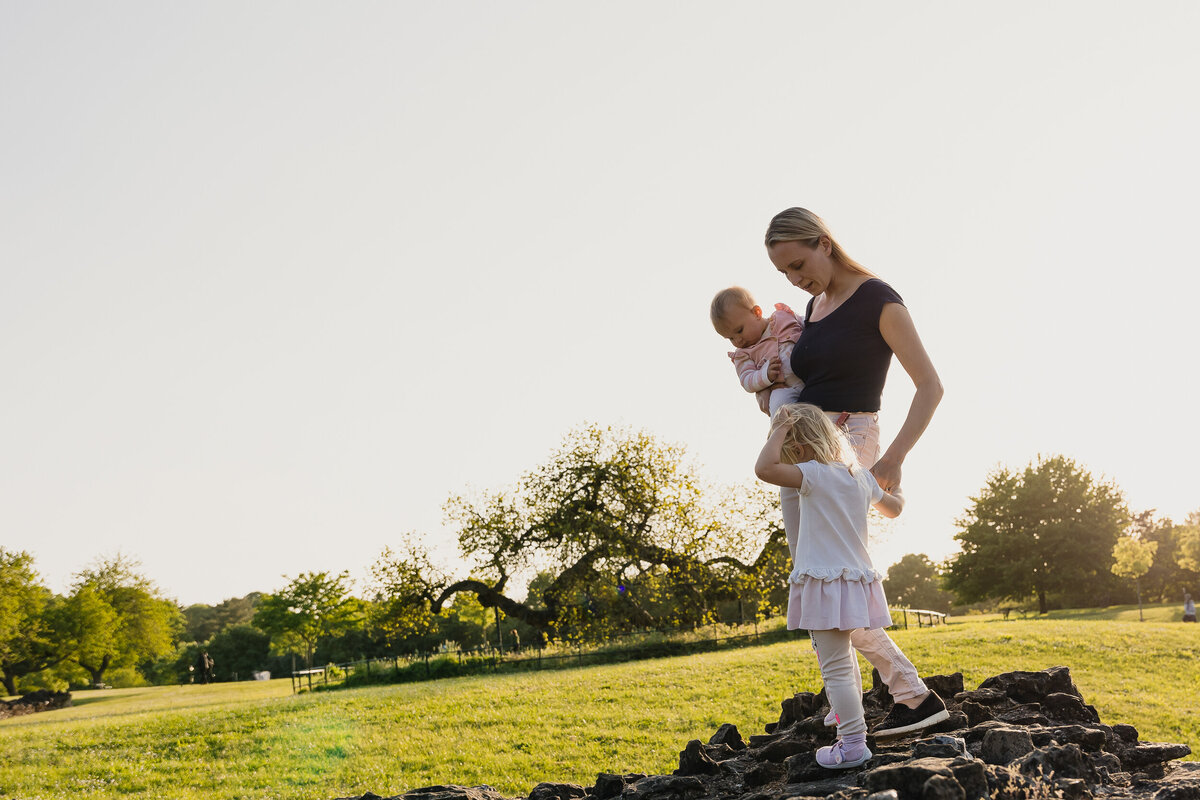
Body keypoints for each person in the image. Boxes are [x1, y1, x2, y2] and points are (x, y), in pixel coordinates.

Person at [763, 207, 947, 737]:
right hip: (804, 447)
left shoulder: (878, 300)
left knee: (833, 576)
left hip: (851, 443)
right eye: (786, 274)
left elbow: (930, 386)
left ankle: (909, 696)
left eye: (800, 264)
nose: (797, 279)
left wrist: (894, 459)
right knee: (814, 578)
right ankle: (876, 698)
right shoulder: (813, 306)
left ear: (824, 242)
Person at [755, 403, 947, 769]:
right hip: (858, 582)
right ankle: (847, 718)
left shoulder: (811, 473)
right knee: (843, 666)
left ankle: (852, 745)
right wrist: (899, 484)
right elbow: (894, 508)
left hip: (824, 583)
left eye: (788, 449)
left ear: (797, 449)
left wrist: (780, 425)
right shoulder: (859, 476)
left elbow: (764, 469)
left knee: (837, 668)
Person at [711, 286, 805, 416]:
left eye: (739, 330)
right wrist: (765, 374)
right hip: (785, 388)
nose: (737, 340)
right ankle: (783, 432)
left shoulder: (783, 317)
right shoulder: (744, 354)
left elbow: (810, 324)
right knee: (779, 406)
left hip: (812, 372)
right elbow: (746, 380)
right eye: (730, 338)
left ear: (756, 313)